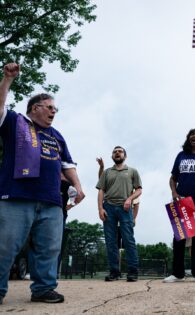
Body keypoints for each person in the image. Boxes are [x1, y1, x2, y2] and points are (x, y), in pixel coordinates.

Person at [0, 63, 85, 304]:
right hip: (17, 197)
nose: (54, 112)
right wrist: (7, 80)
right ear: (35, 108)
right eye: (50, 107)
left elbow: (67, 164)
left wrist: (77, 187)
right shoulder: (15, 122)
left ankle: (43, 289)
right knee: (5, 246)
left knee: (49, 248)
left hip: (51, 201)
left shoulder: (57, 135)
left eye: (55, 108)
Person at [163, 128, 195, 283]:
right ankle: (177, 273)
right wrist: (174, 193)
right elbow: (173, 178)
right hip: (182, 201)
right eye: (192, 134)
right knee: (179, 237)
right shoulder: (181, 156)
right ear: (188, 138)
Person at [96, 146, 142, 282]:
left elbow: (139, 190)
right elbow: (101, 191)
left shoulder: (132, 171)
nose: (117, 153)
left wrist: (129, 199)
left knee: (128, 240)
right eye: (115, 151)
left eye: (120, 151)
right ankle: (114, 272)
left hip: (125, 208)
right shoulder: (107, 172)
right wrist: (100, 208)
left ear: (125, 156)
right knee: (110, 242)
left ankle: (133, 272)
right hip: (108, 207)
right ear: (112, 156)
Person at [97, 157, 140, 226]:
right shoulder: (109, 186)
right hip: (110, 210)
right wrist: (101, 167)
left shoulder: (132, 191)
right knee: (112, 235)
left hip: (125, 213)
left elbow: (136, 205)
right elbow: (101, 180)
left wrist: (133, 218)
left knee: (126, 235)